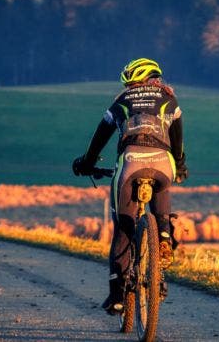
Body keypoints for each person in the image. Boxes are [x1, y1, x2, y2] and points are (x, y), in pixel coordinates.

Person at [72, 58, 188, 315]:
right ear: (154, 79)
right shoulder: (170, 100)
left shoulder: (121, 102)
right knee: (163, 184)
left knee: (124, 229)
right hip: (162, 163)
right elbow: (177, 141)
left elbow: (98, 139)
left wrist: (86, 163)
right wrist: (179, 167)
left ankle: (117, 296)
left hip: (130, 163)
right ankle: (165, 234)